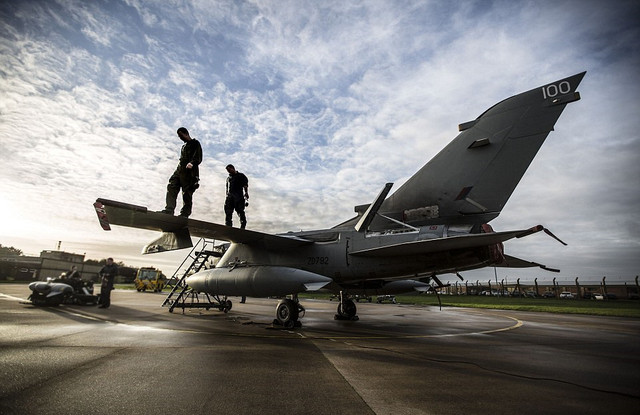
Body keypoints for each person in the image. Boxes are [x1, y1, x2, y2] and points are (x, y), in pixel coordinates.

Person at [161, 127, 203, 218]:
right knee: (172, 185)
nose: (180, 138)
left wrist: (192, 163)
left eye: (181, 135)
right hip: (180, 170)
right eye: (179, 136)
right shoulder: (183, 147)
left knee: (187, 193)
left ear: (186, 134)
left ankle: (185, 213)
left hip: (190, 172)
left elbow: (198, 157)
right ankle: (169, 209)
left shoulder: (195, 143)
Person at [224, 164, 249, 229]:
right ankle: (228, 225)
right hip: (230, 197)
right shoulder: (228, 178)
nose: (229, 172)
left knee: (240, 210)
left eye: (229, 170)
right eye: (228, 171)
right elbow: (227, 188)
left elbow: (245, 185)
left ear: (233, 168)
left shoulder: (241, 176)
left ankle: (243, 224)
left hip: (238, 196)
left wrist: (246, 193)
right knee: (228, 211)